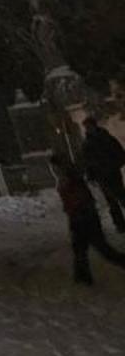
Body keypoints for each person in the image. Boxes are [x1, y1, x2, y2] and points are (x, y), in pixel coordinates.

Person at [52, 152, 125, 286]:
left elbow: (79, 197)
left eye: (55, 167)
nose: (54, 170)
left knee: (100, 248)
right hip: (80, 215)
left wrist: (78, 210)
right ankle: (82, 278)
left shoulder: (71, 177)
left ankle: (83, 278)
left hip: (84, 216)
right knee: (81, 249)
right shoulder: (68, 176)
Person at [79, 117, 125, 233]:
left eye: (89, 126)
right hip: (101, 176)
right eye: (86, 127)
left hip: (112, 173)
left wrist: (114, 164)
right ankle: (120, 224)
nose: (88, 129)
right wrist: (91, 174)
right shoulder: (87, 144)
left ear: (94, 126)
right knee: (112, 201)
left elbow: (120, 153)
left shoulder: (106, 138)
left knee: (121, 196)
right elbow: (87, 161)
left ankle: (120, 224)